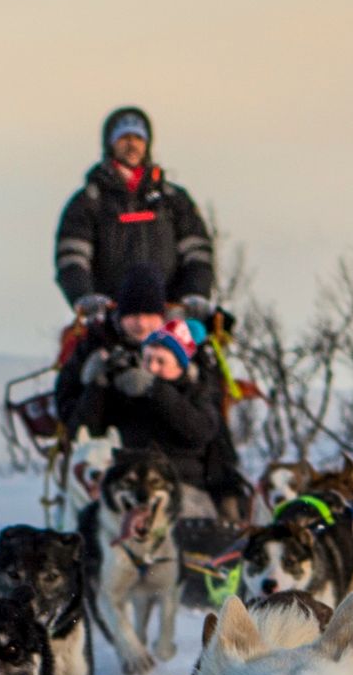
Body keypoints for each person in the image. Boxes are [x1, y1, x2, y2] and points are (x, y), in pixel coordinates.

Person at [54, 262, 247, 517]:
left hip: (183, 479)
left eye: (149, 315)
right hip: (115, 481)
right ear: (120, 315)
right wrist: (98, 385)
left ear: (162, 317)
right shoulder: (96, 347)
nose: (141, 323)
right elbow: (78, 428)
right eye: (133, 315)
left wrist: (157, 390)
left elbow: (202, 429)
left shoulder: (189, 354)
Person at [53, 105, 215, 321]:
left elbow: (198, 252)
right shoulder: (89, 202)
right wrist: (84, 296)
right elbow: (72, 256)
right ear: (110, 144)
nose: (132, 144)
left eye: (138, 138)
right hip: (109, 317)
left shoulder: (173, 199)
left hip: (170, 315)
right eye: (124, 138)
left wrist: (196, 293)